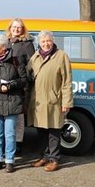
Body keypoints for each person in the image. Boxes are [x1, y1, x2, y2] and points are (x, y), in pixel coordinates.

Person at [28, 30, 73, 172]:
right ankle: (44, 156)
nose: (46, 43)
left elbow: (67, 81)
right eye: (43, 41)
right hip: (38, 101)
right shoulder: (34, 57)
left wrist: (66, 102)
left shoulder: (61, 56)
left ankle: (54, 159)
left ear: (53, 41)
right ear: (39, 43)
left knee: (54, 131)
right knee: (41, 130)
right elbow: (28, 76)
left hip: (54, 100)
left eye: (48, 41)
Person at [0, 35, 27, 173]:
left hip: (12, 102)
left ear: (3, 47)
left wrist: (12, 85)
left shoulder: (15, 60)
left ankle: (9, 160)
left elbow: (24, 80)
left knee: (10, 134)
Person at [5, 18, 35, 154]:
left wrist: (27, 79)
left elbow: (32, 63)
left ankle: (18, 142)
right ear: (10, 28)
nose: (16, 29)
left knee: (19, 116)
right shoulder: (5, 42)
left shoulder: (26, 44)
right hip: (6, 82)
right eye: (14, 27)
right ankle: (8, 142)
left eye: (19, 27)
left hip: (21, 84)